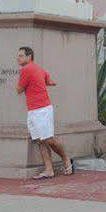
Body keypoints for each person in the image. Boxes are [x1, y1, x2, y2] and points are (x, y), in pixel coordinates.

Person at [15, 46, 73, 179]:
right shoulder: (38, 69)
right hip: (34, 110)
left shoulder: (26, 69)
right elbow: (49, 80)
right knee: (41, 141)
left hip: (41, 109)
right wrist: (46, 83)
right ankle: (48, 170)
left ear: (29, 57)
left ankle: (66, 159)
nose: (17, 58)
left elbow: (18, 90)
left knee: (48, 139)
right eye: (18, 56)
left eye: (21, 56)